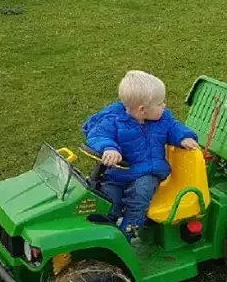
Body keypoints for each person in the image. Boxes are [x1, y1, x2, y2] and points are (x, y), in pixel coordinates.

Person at [82, 70, 199, 240]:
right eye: (159, 103)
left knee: (140, 193)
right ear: (142, 110)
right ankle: (104, 231)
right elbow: (97, 135)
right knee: (108, 199)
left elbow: (173, 127)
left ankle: (130, 227)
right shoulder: (113, 119)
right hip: (117, 174)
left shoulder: (162, 118)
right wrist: (109, 148)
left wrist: (183, 137)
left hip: (148, 172)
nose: (164, 106)